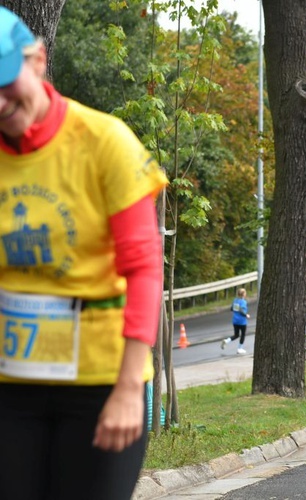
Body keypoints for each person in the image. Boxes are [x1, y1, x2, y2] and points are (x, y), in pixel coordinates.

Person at [0, 7, 168, 500]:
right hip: (11, 382)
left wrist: (125, 391)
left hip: (101, 381)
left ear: (37, 60)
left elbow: (142, 267)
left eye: (5, 81)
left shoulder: (104, 141)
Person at [221, 287, 250, 354]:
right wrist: (246, 315)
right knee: (243, 334)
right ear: (243, 294)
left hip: (235, 321)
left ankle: (226, 340)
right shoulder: (243, 302)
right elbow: (241, 310)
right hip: (242, 321)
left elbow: (231, 309)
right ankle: (240, 348)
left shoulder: (235, 300)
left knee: (236, 335)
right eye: (245, 293)